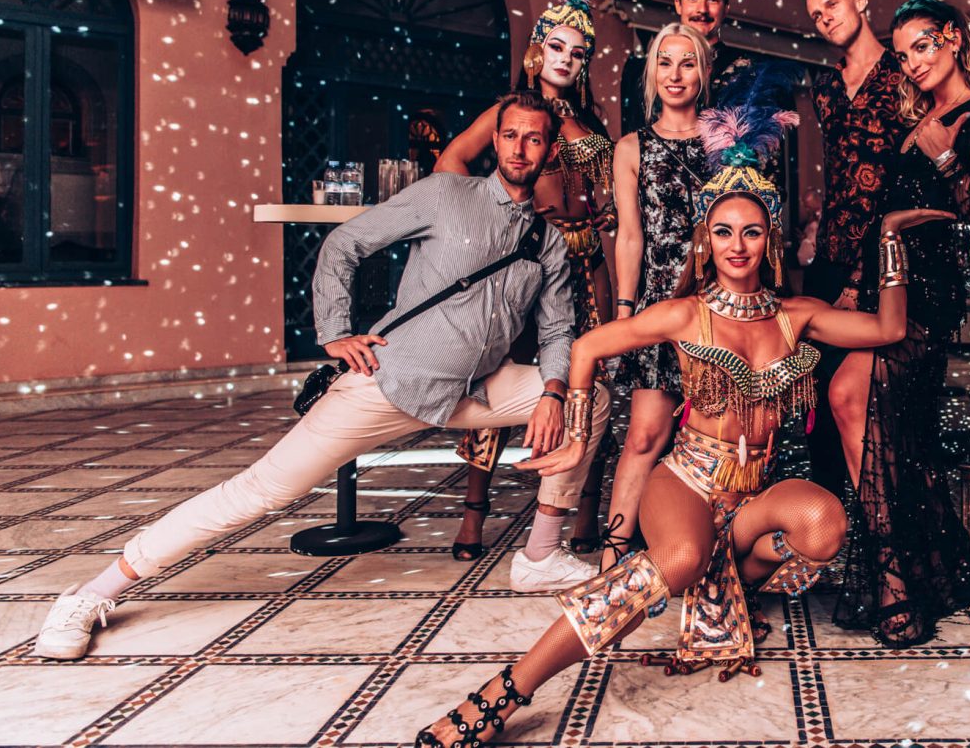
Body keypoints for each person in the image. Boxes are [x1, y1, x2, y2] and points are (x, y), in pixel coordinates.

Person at [415, 93, 947, 748]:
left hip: (752, 496)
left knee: (824, 527)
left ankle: (725, 581)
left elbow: (889, 329)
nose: (737, 246)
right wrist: (576, 435)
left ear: (770, 240)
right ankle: (508, 689)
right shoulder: (685, 314)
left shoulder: (797, 316)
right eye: (723, 232)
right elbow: (587, 348)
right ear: (705, 240)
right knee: (683, 555)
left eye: (751, 232)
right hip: (688, 482)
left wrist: (889, 239)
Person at [32, 91, 613, 661]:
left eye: (533, 139)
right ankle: (91, 593)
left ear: (548, 150)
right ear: (495, 141)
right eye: (510, 135)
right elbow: (345, 242)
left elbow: (559, 330)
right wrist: (335, 330)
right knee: (261, 490)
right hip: (390, 381)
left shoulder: (548, 243)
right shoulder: (444, 195)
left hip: (474, 391)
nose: (519, 148)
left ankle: (540, 555)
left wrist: (553, 392)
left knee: (593, 399)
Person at [432, 0, 618, 579]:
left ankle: (580, 511)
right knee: (502, 376)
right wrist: (489, 218)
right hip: (525, 262)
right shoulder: (510, 111)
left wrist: (605, 220)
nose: (566, 58)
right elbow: (451, 161)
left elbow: (606, 186)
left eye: (578, 51)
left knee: (585, 383)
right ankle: (474, 512)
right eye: (557, 46)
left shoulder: (591, 123)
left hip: (586, 261)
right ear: (538, 48)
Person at [831, 0, 970, 647]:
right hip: (884, 289)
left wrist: (946, 160)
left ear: (954, 39)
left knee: (857, 402)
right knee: (893, 429)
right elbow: (885, 215)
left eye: (923, 46)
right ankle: (927, 563)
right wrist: (854, 285)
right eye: (903, 53)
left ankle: (895, 579)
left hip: (928, 297)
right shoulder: (918, 123)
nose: (912, 63)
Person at [600, 22, 715, 569]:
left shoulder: (726, 142)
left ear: (703, 72)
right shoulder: (631, 147)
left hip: (717, 308)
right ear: (651, 74)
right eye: (664, 63)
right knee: (645, 435)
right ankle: (612, 561)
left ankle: (713, 563)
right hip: (657, 307)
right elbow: (630, 236)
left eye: (687, 63)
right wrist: (626, 313)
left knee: (717, 437)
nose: (675, 74)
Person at [800, 0, 909, 502]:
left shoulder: (903, 73)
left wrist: (862, 276)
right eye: (815, 14)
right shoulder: (824, 88)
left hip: (884, 259)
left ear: (861, 1)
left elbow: (901, 182)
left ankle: (883, 520)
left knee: (870, 398)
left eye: (832, 5)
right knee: (817, 397)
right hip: (829, 257)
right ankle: (826, 521)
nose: (825, 18)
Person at [619, 0, 741, 134]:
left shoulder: (745, 71)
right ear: (678, 4)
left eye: (713, 0)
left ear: (726, 9)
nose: (702, 9)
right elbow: (631, 132)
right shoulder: (640, 70)